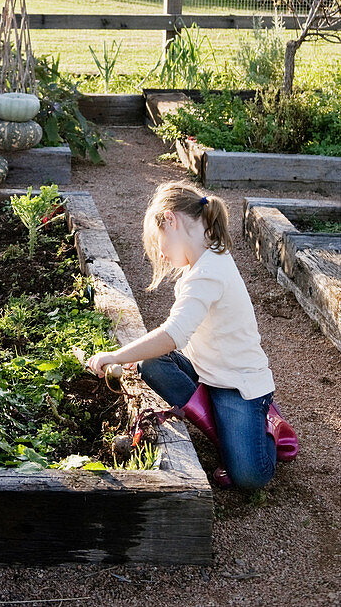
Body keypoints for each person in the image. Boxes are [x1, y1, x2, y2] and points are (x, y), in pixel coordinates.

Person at [83, 180, 298, 489]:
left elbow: (173, 335)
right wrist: (136, 355)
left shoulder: (210, 270)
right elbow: (173, 341)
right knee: (152, 363)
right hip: (208, 375)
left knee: (250, 476)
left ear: (171, 220)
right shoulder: (201, 263)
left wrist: (116, 355)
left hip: (239, 387)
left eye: (158, 241)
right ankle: (223, 428)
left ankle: (266, 423)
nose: (159, 251)